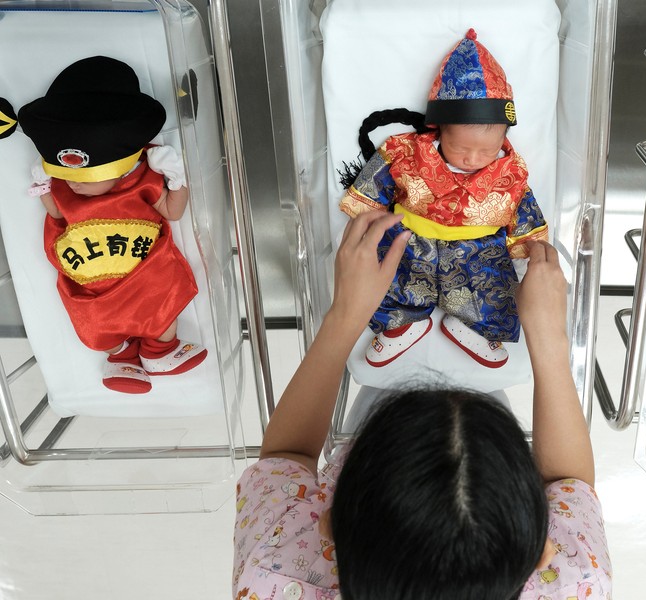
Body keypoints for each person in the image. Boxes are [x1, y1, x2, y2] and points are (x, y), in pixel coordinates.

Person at [232, 210, 611, 600]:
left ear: (326, 525)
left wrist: (345, 315)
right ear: (546, 554)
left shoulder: (271, 570)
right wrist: (550, 342)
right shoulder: (578, 580)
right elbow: (569, 482)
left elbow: (286, 454)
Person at [338, 29, 548, 369]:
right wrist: (366, 216)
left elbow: (524, 214)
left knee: (495, 289)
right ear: (439, 130)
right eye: (460, 147)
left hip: (478, 251)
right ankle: (401, 322)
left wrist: (530, 251)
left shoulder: (512, 173)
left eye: (487, 150)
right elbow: (378, 181)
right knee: (388, 275)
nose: (472, 159)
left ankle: (475, 327)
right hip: (411, 240)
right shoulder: (407, 152)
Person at [15, 56, 207, 393]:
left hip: (143, 275)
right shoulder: (65, 189)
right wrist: (45, 187)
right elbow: (57, 215)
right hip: (90, 281)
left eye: (87, 176)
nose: (74, 183)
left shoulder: (140, 181)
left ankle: (159, 350)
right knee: (95, 323)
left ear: (121, 167)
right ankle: (119, 356)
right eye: (66, 174)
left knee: (161, 303)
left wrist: (176, 178)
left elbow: (173, 212)